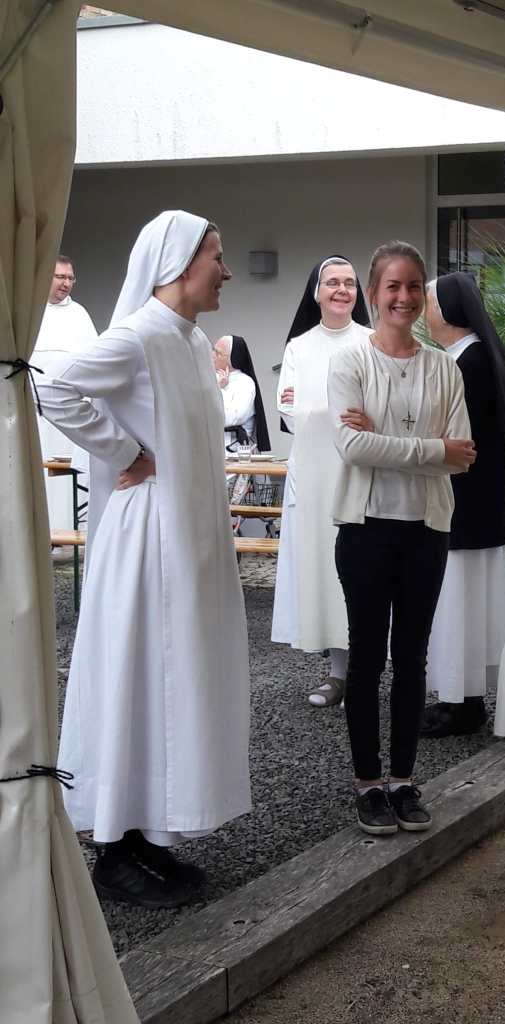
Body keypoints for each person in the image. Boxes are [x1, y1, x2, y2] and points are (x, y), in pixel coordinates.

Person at [37, 211, 251, 909]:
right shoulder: (137, 334)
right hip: (147, 540)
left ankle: (150, 831)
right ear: (179, 264)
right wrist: (126, 451)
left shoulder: (191, 340)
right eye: (216, 257)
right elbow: (51, 385)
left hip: (188, 536)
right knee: (137, 676)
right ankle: (112, 849)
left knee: (175, 677)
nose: (226, 271)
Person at [328, 240, 475, 835]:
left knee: (413, 658)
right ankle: (368, 783)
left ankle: (404, 780)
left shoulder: (444, 367)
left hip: (425, 530)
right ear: (373, 292)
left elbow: (463, 454)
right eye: (393, 286)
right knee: (366, 658)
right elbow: (351, 446)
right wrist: (431, 449)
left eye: (414, 286)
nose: (404, 297)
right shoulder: (350, 362)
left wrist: (387, 441)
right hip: (365, 529)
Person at [421, 272, 505, 737]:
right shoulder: (472, 356)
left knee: (459, 600)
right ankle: (464, 696)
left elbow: (448, 434)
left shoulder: (468, 362)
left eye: (427, 301)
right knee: (468, 602)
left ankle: (460, 702)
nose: (423, 311)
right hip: (475, 502)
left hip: (463, 502)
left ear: (447, 310)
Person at [271, 256, 371, 707]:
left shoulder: (371, 341)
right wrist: (339, 411)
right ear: (317, 292)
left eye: (349, 282)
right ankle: (337, 673)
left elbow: (374, 410)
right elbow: (289, 412)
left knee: (363, 573)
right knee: (326, 575)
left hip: (360, 473)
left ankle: (366, 673)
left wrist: (318, 406)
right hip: (313, 479)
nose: (342, 290)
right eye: (332, 282)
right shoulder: (299, 347)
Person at [32, 255, 97, 533]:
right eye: (60, 277)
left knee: (66, 478)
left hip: (68, 416)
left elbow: (93, 361)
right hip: (34, 413)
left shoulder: (79, 315)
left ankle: (66, 532)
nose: (66, 283)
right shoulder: (30, 312)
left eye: (70, 278)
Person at [213, 334, 271, 453]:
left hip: (234, 452)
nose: (212, 355)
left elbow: (229, 419)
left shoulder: (245, 383)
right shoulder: (211, 378)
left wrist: (219, 390)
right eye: (213, 350)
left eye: (218, 353)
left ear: (232, 359)